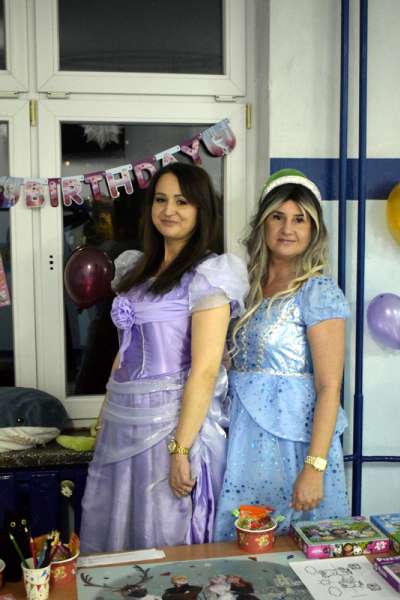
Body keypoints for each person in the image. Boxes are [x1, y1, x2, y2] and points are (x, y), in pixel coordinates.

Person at [80, 162, 248, 552]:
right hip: (124, 423)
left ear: (202, 210)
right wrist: (105, 417)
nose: (169, 210)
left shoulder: (208, 276)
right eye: (160, 200)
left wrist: (181, 449)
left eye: (182, 201)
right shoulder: (135, 270)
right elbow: (123, 354)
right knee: (119, 528)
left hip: (171, 427)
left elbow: (205, 371)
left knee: (163, 533)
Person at [214, 168, 350, 539]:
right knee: (241, 544)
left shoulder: (317, 291)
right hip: (240, 438)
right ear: (263, 223)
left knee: (295, 547)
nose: (287, 228)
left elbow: (329, 387)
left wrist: (314, 468)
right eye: (278, 217)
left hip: (295, 446)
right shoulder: (244, 286)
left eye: (299, 219)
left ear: (313, 230)